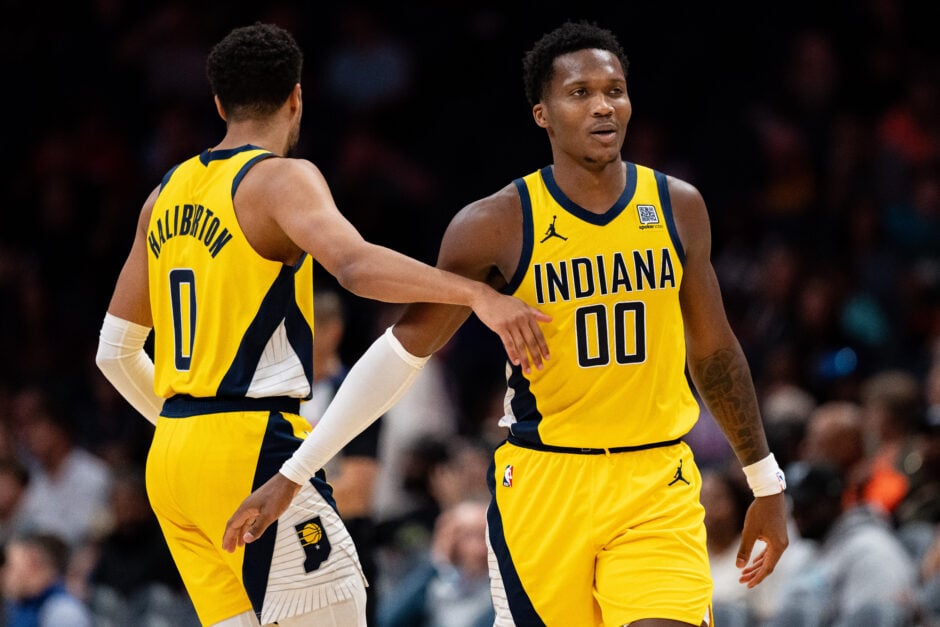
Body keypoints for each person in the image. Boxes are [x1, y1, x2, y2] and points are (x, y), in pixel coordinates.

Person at [223, 20, 789, 626]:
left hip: (656, 481)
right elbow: (403, 353)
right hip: (545, 484)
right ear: (542, 114)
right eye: (580, 93)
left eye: (614, 90)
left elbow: (714, 351)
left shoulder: (678, 206)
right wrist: (296, 471)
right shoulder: (495, 224)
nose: (603, 106)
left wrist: (765, 480)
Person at [94, 22, 549, 627]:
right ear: (296, 97)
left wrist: (189, 433)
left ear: (219, 104)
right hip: (250, 445)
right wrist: (474, 293)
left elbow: (114, 351)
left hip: (173, 460)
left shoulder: (163, 195)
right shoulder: (280, 177)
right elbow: (355, 265)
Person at [2, 531, 94, 627]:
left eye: (9, 566)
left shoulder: (63, 612)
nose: (3, 572)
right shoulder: (22, 604)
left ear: (32, 564)